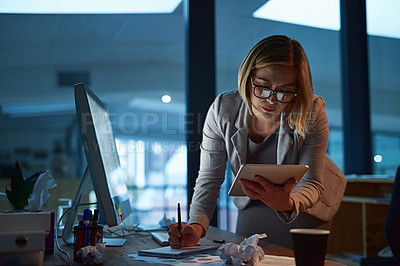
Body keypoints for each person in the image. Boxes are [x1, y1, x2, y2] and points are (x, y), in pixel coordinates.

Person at [169, 35, 347, 249]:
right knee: (245, 257)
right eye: (262, 87)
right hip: (254, 199)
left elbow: (311, 182)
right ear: (248, 77)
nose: (272, 99)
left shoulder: (312, 110)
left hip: (303, 201)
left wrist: (287, 203)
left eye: (285, 91)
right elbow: (209, 177)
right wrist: (196, 226)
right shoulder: (223, 110)